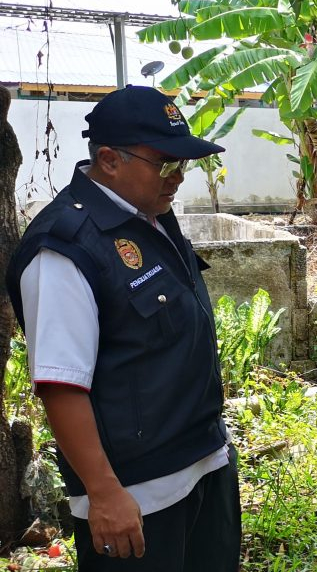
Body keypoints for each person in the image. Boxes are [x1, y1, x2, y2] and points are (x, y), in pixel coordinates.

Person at [6, 86, 240, 570]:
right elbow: (60, 384)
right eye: (166, 164)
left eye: (183, 165)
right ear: (109, 160)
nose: (178, 178)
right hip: (136, 496)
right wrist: (105, 493)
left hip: (205, 463)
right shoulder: (65, 249)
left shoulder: (150, 213)